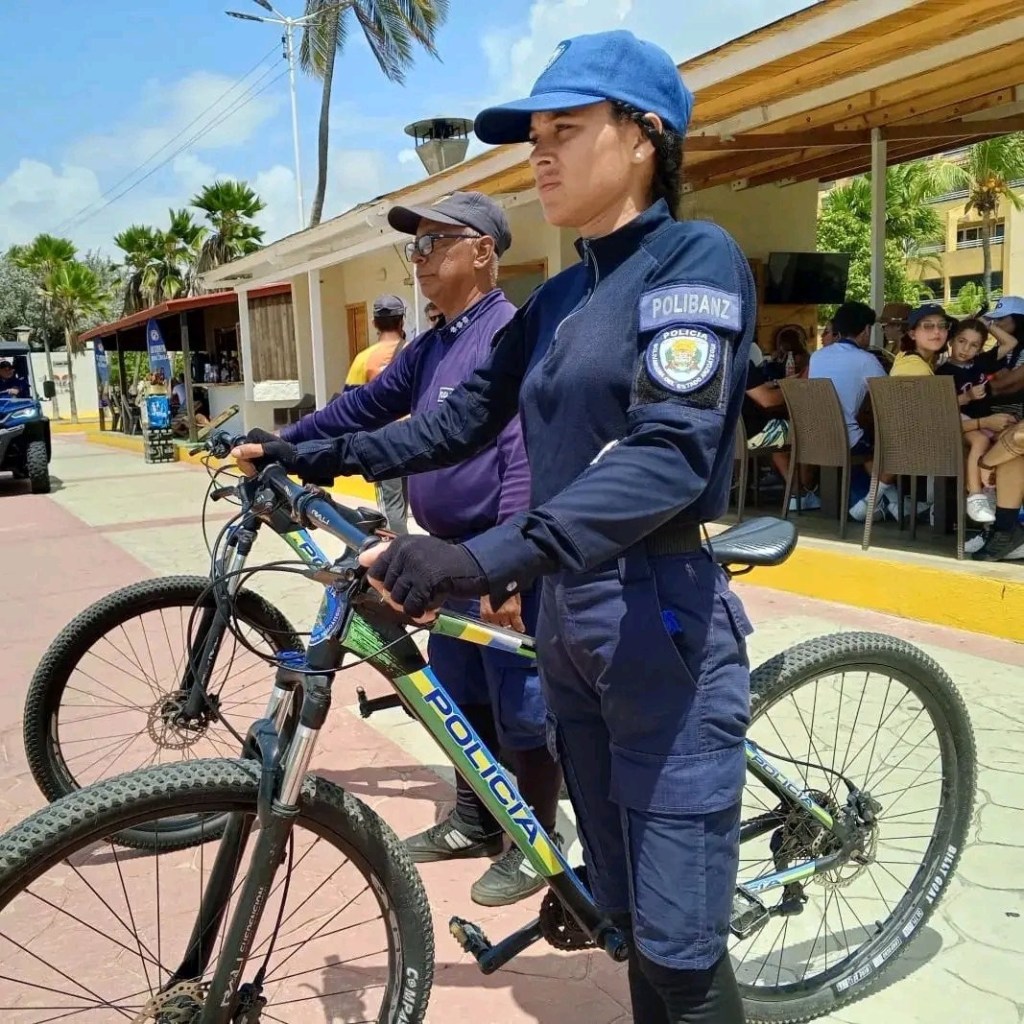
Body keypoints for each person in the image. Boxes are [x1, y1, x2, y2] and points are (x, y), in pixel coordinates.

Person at [234, 30, 753, 1022]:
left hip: (657, 624)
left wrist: (480, 556)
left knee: (681, 957)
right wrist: (307, 449)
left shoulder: (694, 259)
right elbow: (456, 420)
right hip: (568, 626)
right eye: (533, 136)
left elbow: (669, 455)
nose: (540, 154)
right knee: (628, 911)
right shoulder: (561, 293)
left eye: (565, 129)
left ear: (644, 138)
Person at [275, 194, 564, 907]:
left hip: (498, 555)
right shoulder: (432, 343)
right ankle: (474, 821)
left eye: (437, 243)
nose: (422, 259)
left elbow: (521, 450)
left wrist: (511, 565)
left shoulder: (509, 335)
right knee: (458, 693)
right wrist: (291, 444)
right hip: (447, 555)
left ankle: (539, 841)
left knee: (522, 709)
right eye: (416, 247)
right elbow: (361, 409)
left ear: (483, 252)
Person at [893, 303, 1024, 560]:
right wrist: (976, 412)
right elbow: (932, 417)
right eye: (928, 327)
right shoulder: (921, 369)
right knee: (988, 447)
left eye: (941, 326)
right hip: (937, 439)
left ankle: (1002, 528)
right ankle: (988, 512)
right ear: (912, 333)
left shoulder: (929, 365)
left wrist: (986, 323)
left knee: (1008, 448)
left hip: (957, 431)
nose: (936, 332)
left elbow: (1008, 343)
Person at [807, 301, 898, 518]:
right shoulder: (866, 359)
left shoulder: (817, 356)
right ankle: (879, 503)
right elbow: (890, 398)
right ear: (866, 330)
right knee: (886, 447)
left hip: (812, 437)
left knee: (863, 441)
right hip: (846, 440)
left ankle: (888, 504)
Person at [936, 318, 1017, 524]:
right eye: (962, 341)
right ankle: (975, 496)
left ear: (980, 348)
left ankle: (992, 490)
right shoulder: (942, 372)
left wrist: (987, 324)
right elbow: (940, 407)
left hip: (985, 420)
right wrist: (967, 397)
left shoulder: (981, 363)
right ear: (951, 341)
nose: (966, 349)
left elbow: (1010, 343)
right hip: (961, 421)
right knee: (980, 441)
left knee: (1009, 440)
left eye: (974, 345)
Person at [343, 295, 411, 535]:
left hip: (383, 441)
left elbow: (348, 404)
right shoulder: (414, 352)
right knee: (403, 501)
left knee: (390, 505)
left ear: (373, 323)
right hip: (415, 437)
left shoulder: (364, 359)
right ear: (402, 320)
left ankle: (400, 553)